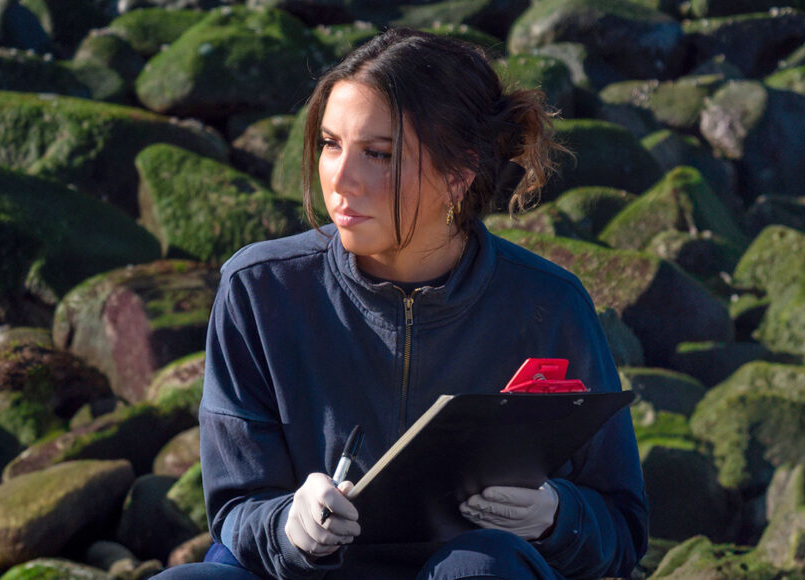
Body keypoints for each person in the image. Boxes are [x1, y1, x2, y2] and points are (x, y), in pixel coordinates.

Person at [155, 27, 648, 580]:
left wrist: (556, 517)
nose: (339, 178)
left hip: (473, 572)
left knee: (482, 567)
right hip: (303, 575)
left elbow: (621, 526)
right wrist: (286, 526)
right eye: (330, 143)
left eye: (379, 154)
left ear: (459, 174)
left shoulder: (548, 304)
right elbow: (236, 508)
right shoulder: (258, 288)